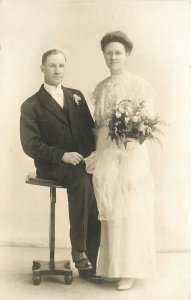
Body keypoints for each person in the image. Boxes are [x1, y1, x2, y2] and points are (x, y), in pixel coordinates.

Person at [20, 49, 101, 284]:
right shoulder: (31, 105)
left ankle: (91, 265)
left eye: (61, 66)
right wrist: (62, 155)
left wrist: (94, 156)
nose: (57, 71)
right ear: (42, 68)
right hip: (52, 165)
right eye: (52, 66)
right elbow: (30, 144)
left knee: (97, 183)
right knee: (81, 181)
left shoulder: (76, 96)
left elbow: (88, 131)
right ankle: (79, 250)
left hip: (80, 163)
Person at [86, 31, 157, 290]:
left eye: (118, 52)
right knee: (110, 206)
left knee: (130, 207)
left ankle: (131, 269)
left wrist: (131, 138)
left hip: (129, 153)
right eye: (108, 52)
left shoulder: (140, 85)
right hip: (106, 150)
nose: (113, 57)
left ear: (127, 55)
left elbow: (147, 122)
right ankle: (113, 267)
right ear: (103, 55)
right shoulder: (101, 87)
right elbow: (97, 124)